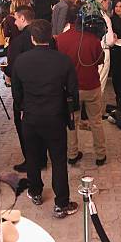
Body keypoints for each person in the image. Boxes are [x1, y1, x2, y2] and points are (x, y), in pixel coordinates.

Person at [11, 19, 80, 218]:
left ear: (32, 39)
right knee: (58, 160)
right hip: (55, 117)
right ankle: (61, 203)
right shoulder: (63, 60)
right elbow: (73, 92)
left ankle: (35, 191)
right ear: (51, 37)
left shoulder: (21, 61)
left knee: (32, 156)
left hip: (30, 118)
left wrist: (22, 107)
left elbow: (16, 93)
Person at [57, 1, 107, 166]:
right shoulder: (92, 39)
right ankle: (100, 155)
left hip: (71, 90)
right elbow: (100, 60)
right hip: (92, 86)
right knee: (96, 121)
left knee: (72, 123)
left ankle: (72, 154)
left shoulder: (61, 40)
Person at [5, 6, 36, 172]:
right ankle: (42, 157)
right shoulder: (44, 36)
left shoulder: (18, 42)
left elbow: (13, 69)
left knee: (24, 128)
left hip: (24, 92)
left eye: (16, 18)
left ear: (23, 19)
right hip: (43, 90)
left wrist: (6, 71)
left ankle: (31, 160)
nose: (15, 22)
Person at [92, 0, 115, 93]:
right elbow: (109, 41)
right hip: (103, 53)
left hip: (91, 52)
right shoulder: (104, 17)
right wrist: (114, 38)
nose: (108, 2)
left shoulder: (90, 15)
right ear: (102, 2)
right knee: (99, 85)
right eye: (107, 0)